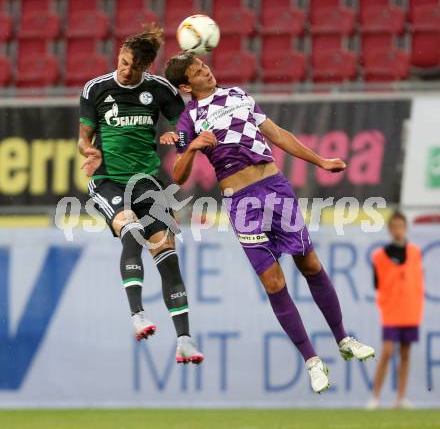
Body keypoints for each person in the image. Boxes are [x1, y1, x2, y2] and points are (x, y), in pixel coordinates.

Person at [161, 53, 374, 393]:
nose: (207, 70)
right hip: (242, 203)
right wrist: (192, 149)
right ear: (186, 86)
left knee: (310, 263)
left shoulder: (239, 95)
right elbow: (177, 175)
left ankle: (344, 339)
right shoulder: (189, 120)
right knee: (274, 283)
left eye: (205, 65)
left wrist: (320, 161)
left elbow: (277, 134)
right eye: (198, 71)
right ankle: (312, 361)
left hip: (275, 188)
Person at [78, 25, 203, 364]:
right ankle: (138, 316)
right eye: (122, 62)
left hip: (147, 183)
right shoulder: (96, 89)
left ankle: (185, 340)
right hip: (107, 181)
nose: (125, 70)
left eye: (133, 66)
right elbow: (83, 139)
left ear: (146, 67)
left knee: (168, 254)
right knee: (131, 231)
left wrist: (175, 139)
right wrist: (89, 151)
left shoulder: (160, 90)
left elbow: (186, 128)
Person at [367, 211, 424, 409]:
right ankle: (375, 396)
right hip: (391, 310)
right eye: (395, 226)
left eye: (402, 226)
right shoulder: (380, 256)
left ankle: (400, 397)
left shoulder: (415, 252)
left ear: (405, 228)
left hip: (410, 310)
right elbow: (377, 283)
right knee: (387, 352)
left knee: (406, 353)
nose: (399, 230)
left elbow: (417, 281)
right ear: (390, 230)